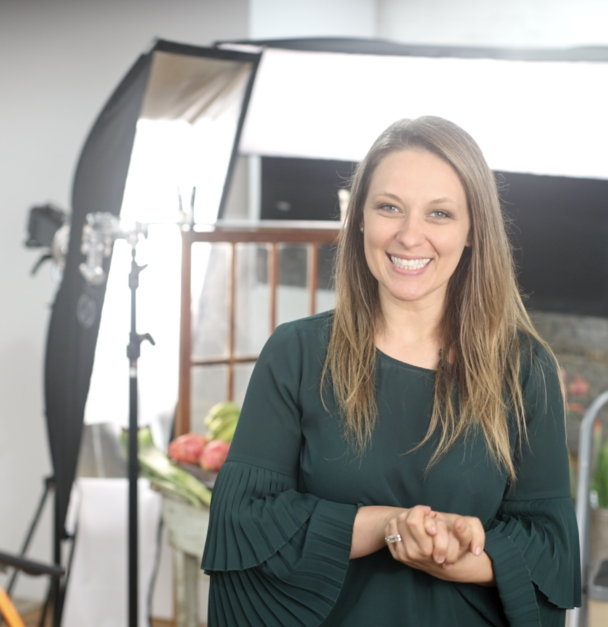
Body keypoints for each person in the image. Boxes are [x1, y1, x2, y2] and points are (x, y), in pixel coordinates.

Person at [201, 116, 580, 626]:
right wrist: (383, 525)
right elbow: (245, 522)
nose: (409, 235)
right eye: (389, 207)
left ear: (473, 232)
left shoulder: (524, 370)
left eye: (440, 214)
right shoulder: (296, 354)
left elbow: (550, 547)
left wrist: (462, 558)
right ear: (359, 217)